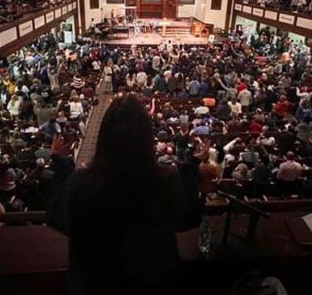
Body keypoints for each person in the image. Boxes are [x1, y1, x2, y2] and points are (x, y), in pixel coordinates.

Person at [47, 96, 203, 294]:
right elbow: (189, 218)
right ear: (146, 139)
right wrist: (191, 166)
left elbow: (58, 217)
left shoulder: (82, 184)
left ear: (104, 138)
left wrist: (60, 164)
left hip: (95, 285)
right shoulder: (165, 182)